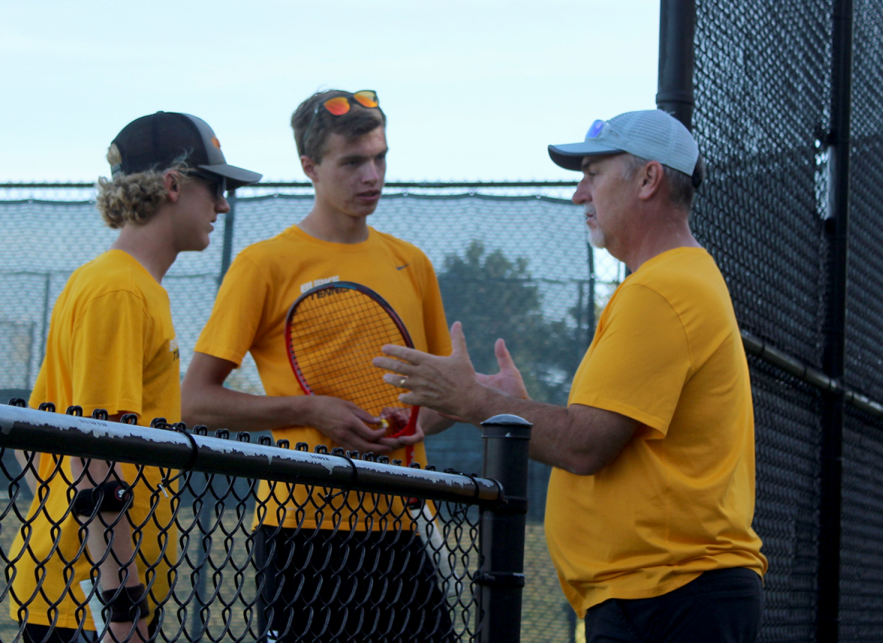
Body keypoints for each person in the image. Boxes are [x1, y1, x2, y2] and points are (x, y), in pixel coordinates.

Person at [374, 110, 768, 643]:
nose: (580, 195)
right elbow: (609, 436)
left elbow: (585, 444)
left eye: (593, 174)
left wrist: (470, 401)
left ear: (649, 179)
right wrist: (513, 406)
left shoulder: (662, 290)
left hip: (668, 598)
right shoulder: (676, 280)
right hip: (663, 595)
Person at [181, 89, 455, 642]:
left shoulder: (412, 263)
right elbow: (194, 401)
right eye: (352, 161)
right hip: (302, 529)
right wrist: (309, 410)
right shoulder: (265, 264)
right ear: (310, 166)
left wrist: (419, 422)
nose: (371, 175)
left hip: (403, 525)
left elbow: (442, 398)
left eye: (380, 158)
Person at [9, 112, 261, 643]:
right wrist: (120, 608)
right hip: (89, 603)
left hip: (85, 588)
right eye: (214, 186)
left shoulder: (124, 285)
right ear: (172, 184)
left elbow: (34, 443)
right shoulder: (119, 292)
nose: (223, 203)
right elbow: (95, 459)